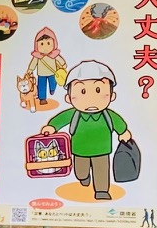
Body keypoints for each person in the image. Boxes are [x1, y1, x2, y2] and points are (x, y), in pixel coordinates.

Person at [39, 59, 132, 201]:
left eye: (98, 90)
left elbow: (118, 123)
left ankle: (102, 191)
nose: (91, 99)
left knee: (101, 171)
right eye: (82, 91)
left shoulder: (107, 115)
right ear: (69, 98)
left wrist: (123, 132)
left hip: (102, 150)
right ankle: (84, 177)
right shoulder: (74, 114)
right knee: (80, 171)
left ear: (112, 96)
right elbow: (61, 119)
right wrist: (52, 127)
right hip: (79, 150)